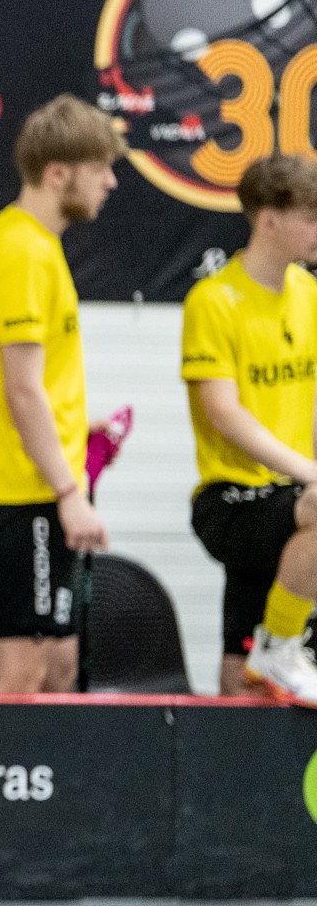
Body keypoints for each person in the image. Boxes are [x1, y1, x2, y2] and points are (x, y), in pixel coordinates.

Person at [0, 95, 122, 694]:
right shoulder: (22, 250)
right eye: (99, 168)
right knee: (22, 674)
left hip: (30, 485)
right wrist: (69, 492)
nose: (110, 182)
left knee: (58, 667)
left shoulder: (25, 241)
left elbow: (28, 383)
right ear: (57, 173)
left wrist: (76, 428)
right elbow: (22, 390)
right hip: (17, 494)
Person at [181, 154, 317, 701]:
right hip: (231, 497)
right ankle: (279, 645)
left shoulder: (308, 294)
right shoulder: (214, 300)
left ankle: (268, 653)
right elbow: (224, 412)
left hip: (289, 497)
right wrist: (309, 472)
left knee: (241, 671)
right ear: (270, 220)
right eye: (310, 218)